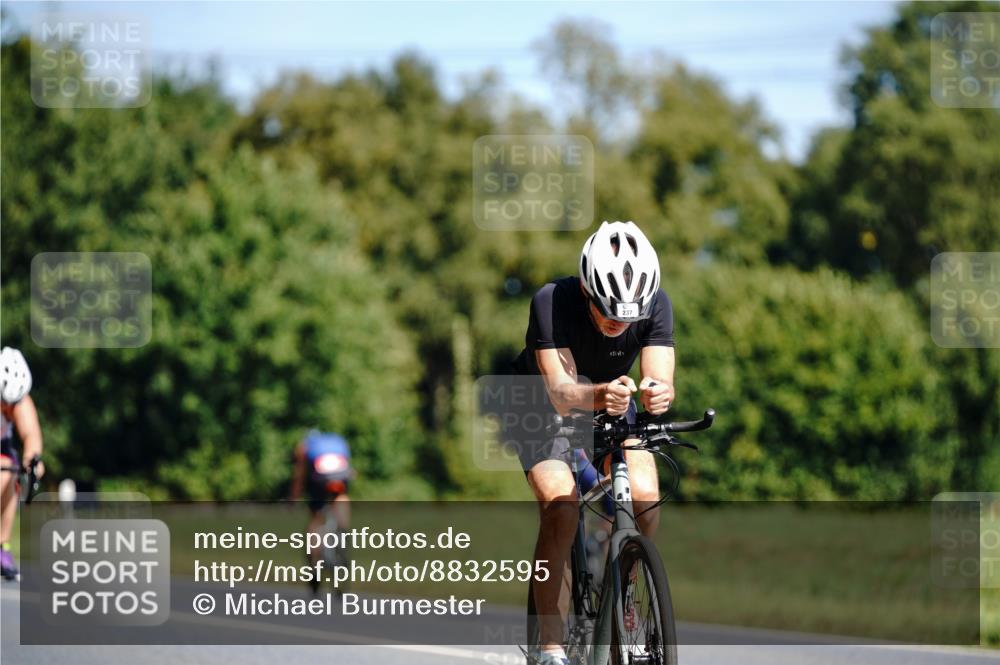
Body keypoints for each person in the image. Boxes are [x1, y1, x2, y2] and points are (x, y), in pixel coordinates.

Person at [510, 221, 675, 665]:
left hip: (612, 403)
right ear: (587, 290)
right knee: (561, 506)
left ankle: (625, 600)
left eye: (630, 316)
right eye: (608, 311)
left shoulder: (657, 303)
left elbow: (660, 375)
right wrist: (602, 395)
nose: (619, 322)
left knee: (645, 499)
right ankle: (549, 648)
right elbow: (561, 393)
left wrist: (658, 393)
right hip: (539, 407)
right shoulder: (551, 301)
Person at [290, 430, 353, 594]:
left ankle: (314, 565)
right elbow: (350, 468)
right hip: (342, 474)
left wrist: (294, 498)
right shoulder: (338, 441)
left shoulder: (305, 446)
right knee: (341, 497)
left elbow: (300, 475)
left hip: (320, 478)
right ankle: (342, 529)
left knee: (316, 518)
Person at [0, 347, 44, 581]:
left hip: (2, 447)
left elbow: (31, 436)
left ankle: (1, 545)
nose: (7, 407)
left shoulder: (20, 400)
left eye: (11, 403)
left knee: (11, 471)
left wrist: (32, 463)